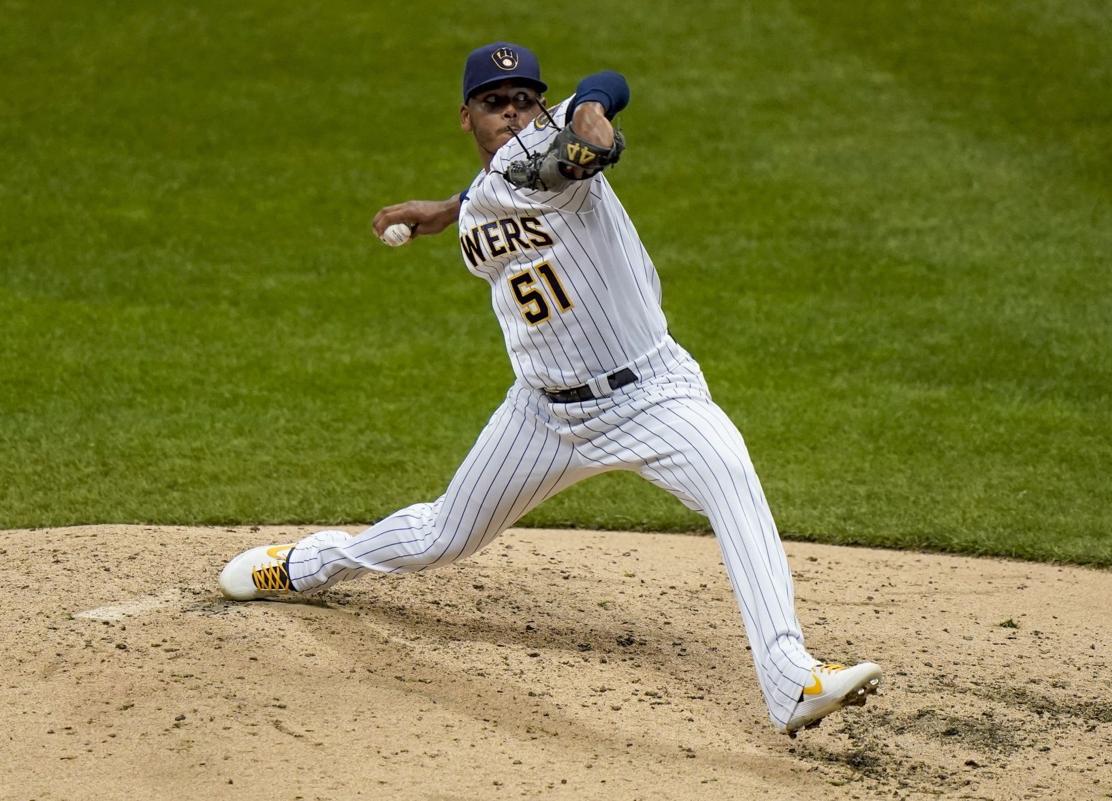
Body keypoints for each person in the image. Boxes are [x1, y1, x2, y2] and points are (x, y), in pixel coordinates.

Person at [218, 42, 881, 734]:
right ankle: (307, 564)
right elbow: (493, 189)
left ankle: (790, 679)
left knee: (732, 474)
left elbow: (600, 95)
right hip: (541, 415)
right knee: (444, 532)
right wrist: (443, 211)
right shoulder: (485, 195)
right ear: (465, 116)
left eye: (525, 99)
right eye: (494, 103)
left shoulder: (559, 143)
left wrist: (591, 108)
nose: (512, 113)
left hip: (653, 394)